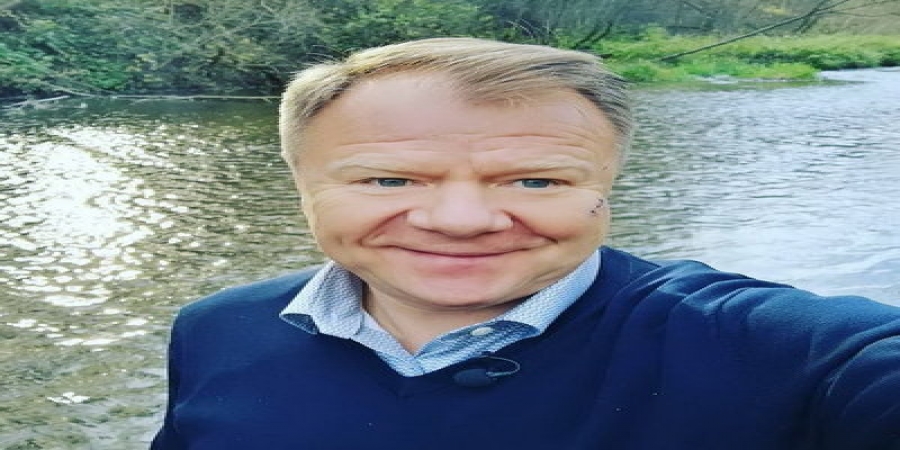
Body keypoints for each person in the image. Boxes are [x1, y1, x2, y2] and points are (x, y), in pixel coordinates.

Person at [151, 37, 900, 450]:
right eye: (388, 179)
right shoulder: (218, 329)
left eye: (535, 181)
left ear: (605, 186)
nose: (461, 219)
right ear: (303, 187)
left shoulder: (771, 350)